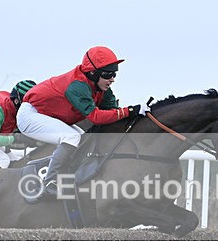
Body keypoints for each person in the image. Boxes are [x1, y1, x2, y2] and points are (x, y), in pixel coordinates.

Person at [17, 46, 150, 196]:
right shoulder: (77, 86)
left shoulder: (102, 89)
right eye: (108, 75)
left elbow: (114, 115)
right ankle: (49, 181)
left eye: (114, 74)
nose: (112, 79)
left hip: (49, 115)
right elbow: (96, 117)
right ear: (93, 73)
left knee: (85, 140)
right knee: (72, 137)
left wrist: (135, 117)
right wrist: (130, 111)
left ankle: (60, 172)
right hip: (30, 115)